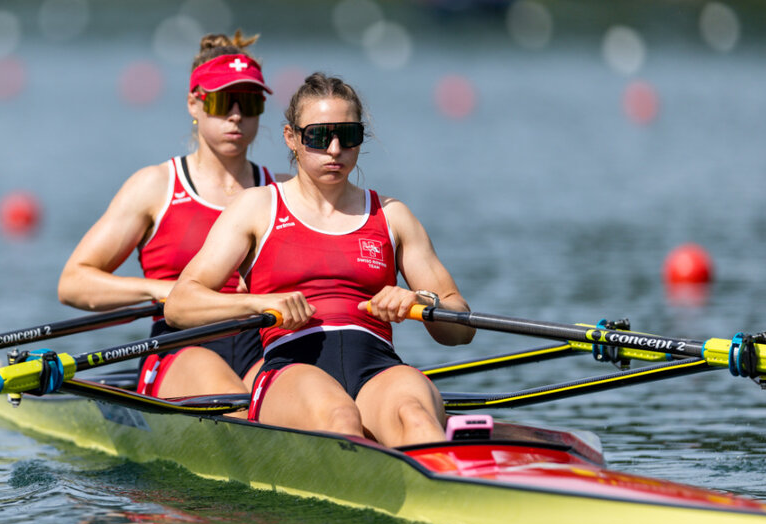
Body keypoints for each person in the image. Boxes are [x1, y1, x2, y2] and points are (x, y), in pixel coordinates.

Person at [164, 73, 475, 447]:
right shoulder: (257, 207)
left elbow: (461, 328)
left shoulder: (392, 216)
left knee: (418, 418)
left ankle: (438, 488)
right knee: (340, 418)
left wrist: (422, 302)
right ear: (291, 138)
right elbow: (180, 305)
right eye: (317, 136)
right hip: (291, 368)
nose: (334, 149)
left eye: (348, 135)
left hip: (377, 365)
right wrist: (260, 303)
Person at [58, 31, 281, 401]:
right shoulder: (156, 187)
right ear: (194, 104)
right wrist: (159, 290)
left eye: (250, 102)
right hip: (180, 346)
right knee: (238, 401)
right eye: (223, 102)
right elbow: (73, 283)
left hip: (258, 343)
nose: (237, 115)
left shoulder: (279, 192)